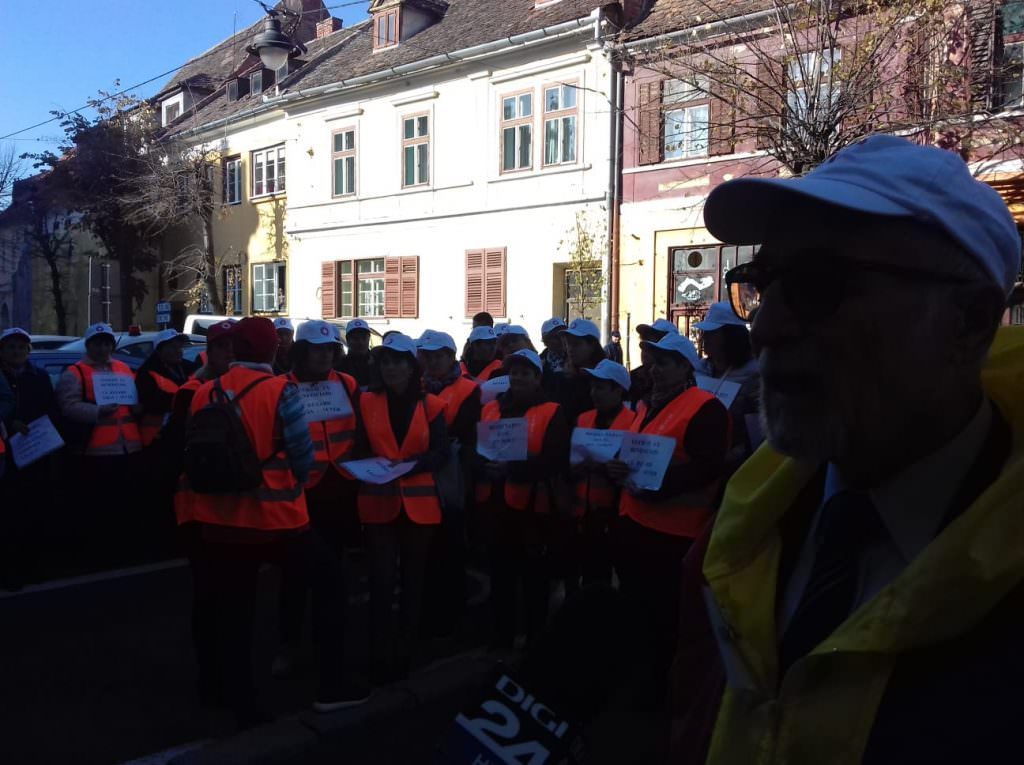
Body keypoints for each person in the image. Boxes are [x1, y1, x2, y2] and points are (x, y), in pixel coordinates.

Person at [675, 135, 1024, 764]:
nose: (765, 328)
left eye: (818, 284)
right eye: (760, 284)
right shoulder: (733, 543)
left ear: (970, 320)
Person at [176, 317, 357, 723]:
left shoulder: (206, 391)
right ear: (275, 351)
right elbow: (301, 454)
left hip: (219, 519)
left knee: (235, 611)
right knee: (329, 582)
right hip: (277, 520)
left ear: (236, 350)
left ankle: (232, 697)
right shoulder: (281, 391)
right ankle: (334, 683)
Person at [605, 332, 729, 740]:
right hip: (636, 526)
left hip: (672, 536)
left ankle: (662, 701)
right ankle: (643, 688)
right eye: (651, 362)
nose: (654, 370)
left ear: (685, 367)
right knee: (640, 616)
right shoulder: (648, 406)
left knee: (665, 624)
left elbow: (710, 467)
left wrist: (659, 484)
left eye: (664, 363)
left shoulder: (705, 408)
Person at [353, 332, 448, 683]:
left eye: (398, 361)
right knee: (380, 582)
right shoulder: (365, 401)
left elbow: (441, 451)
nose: (391, 367)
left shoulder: (432, 405)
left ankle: (404, 655)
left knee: (412, 583)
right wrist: (372, 463)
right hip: (378, 501)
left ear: (412, 366)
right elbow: (358, 446)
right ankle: (379, 655)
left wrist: (413, 465)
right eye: (386, 361)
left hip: (419, 507)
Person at [274, 320, 362, 680]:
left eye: (329, 350)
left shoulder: (347, 383)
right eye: (316, 350)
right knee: (294, 574)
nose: (324, 356)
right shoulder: (281, 388)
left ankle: (327, 644)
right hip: (301, 489)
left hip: (339, 486)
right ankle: (289, 644)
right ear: (301, 352)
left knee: (334, 571)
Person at [475, 349, 570, 649]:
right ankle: (501, 640)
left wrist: (514, 469)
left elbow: (556, 459)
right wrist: (484, 467)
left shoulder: (553, 410)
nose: (517, 378)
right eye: (513, 372)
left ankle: (535, 642)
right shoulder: (491, 409)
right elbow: (477, 451)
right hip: (496, 506)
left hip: (534, 510)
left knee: (534, 581)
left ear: (537, 378)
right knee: (500, 578)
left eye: (525, 373)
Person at [56, 322, 143, 568]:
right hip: (95, 452)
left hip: (129, 448)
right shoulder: (76, 372)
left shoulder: (124, 368)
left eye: (107, 343)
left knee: (123, 505)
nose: (103, 347)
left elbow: (134, 400)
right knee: (98, 507)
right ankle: (99, 554)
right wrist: (97, 412)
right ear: (89, 345)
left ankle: (123, 550)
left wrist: (138, 408)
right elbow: (68, 406)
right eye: (98, 343)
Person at [419, 329, 481, 637]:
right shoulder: (416, 387)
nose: (431, 361)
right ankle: (431, 606)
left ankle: (453, 610)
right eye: (427, 356)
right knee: (427, 543)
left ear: (451, 356)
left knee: (452, 539)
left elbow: (469, 432)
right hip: (423, 472)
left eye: (437, 356)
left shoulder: (469, 389)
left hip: (452, 473)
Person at [0, 328, 59, 589]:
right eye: (10, 347)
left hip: (36, 452)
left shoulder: (40, 377)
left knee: (34, 512)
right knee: (9, 516)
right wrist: (9, 423)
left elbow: (52, 409)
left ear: (28, 351)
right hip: (6, 458)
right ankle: (10, 572)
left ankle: (34, 567)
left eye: (21, 347)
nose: (16, 352)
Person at [570, 359, 635, 586]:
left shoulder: (634, 423)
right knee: (589, 576)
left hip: (615, 516)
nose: (593, 393)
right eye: (592, 387)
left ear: (618, 390)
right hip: (584, 514)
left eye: (600, 387)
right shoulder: (583, 418)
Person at [136, 329, 190, 448]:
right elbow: (151, 403)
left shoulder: (187, 367)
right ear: (159, 351)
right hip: (156, 439)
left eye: (180, 347)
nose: (178, 351)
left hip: (181, 436)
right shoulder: (146, 372)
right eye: (172, 347)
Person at [555, 319, 609, 424]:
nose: (570, 349)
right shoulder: (561, 378)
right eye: (567, 344)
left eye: (576, 344)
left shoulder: (607, 378)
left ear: (593, 345)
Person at [629, 318, 678, 403]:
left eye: (652, 343)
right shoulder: (633, 377)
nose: (645, 350)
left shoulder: (675, 382)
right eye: (644, 341)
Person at [336, 318, 375, 388]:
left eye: (364, 338)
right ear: (347, 340)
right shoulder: (339, 365)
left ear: (369, 338)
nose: (360, 342)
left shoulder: (378, 363)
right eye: (355, 338)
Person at [539, 317, 568, 395]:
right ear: (545, 340)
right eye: (555, 336)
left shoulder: (576, 359)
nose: (561, 339)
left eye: (564, 335)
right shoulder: (538, 362)